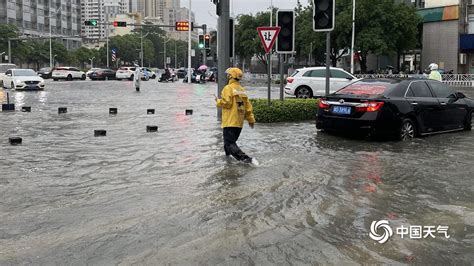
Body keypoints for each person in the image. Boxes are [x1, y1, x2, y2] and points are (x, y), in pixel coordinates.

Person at [215, 67, 256, 163]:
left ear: (230, 76)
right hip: (239, 123)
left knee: (229, 144)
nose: (227, 76)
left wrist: (218, 101)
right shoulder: (242, 90)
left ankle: (247, 159)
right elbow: (248, 107)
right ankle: (228, 161)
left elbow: (227, 103)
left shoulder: (227, 88)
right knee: (227, 144)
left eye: (228, 75)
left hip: (230, 122)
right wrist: (251, 120)